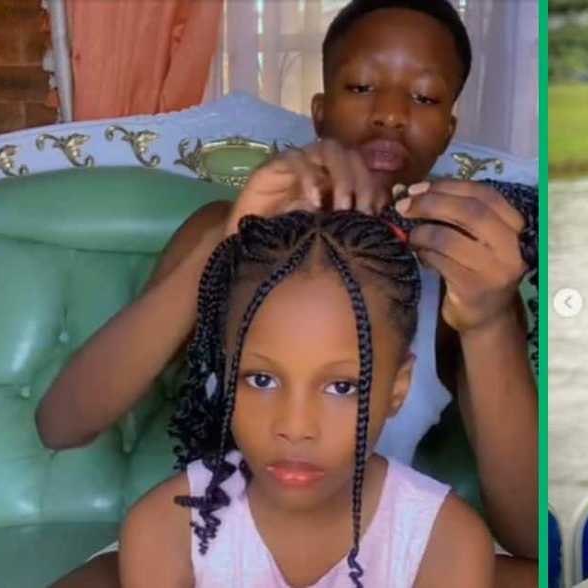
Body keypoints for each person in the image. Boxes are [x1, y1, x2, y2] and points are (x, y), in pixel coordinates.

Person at [40, 1, 537, 586]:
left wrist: (489, 319)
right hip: (212, 546)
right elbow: (62, 425)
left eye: (424, 98)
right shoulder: (220, 233)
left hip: (373, 551)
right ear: (320, 113)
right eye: (360, 86)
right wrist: (228, 247)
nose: (390, 115)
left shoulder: (462, 275)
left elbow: (529, 535)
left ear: (449, 129)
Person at [120, 210, 493, 587]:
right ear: (226, 373)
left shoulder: (444, 542)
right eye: (261, 380)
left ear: (398, 389)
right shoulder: (165, 530)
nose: (295, 427)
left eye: (341, 387)